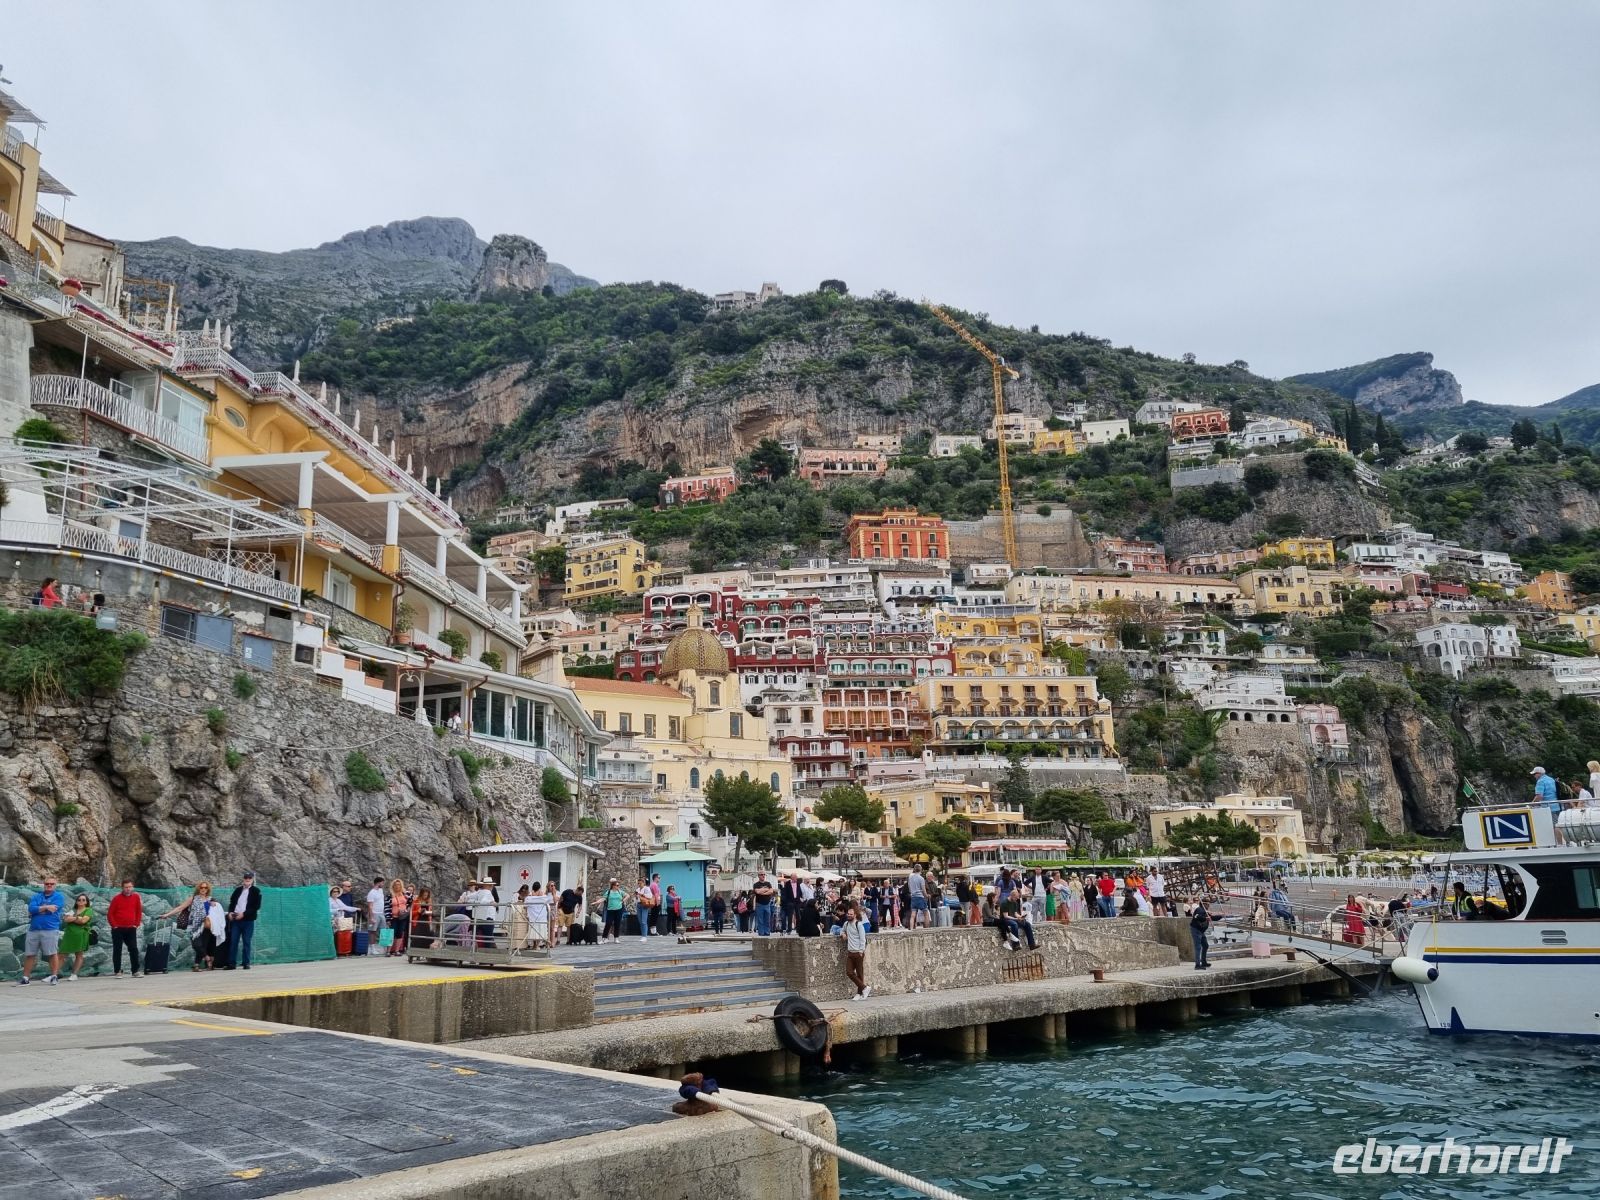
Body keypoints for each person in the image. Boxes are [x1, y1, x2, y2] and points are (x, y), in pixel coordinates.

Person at [19, 877, 66, 985]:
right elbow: (31, 909)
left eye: (51, 884)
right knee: (30, 954)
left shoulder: (59, 896)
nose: (49, 885)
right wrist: (46, 907)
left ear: (55, 885)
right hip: (34, 929)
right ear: (44, 885)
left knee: (52, 953)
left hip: (50, 929)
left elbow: (54, 909)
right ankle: (25, 978)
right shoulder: (36, 896)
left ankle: (54, 976)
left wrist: (39, 909)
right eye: (47, 883)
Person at [224, 870, 262, 970]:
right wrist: (230, 912)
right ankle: (231, 963)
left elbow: (256, 906)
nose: (247, 880)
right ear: (243, 879)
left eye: (249, 878)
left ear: (252, 879)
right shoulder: (237, 890)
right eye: (246, 878)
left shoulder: (256, 891)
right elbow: (232, 902)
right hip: (236, 920)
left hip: (248, 920)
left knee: (246, 941)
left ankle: (246, 963)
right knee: (233, 941)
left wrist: (244, 914)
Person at [108, 879, 143, 978]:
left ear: (133, 887)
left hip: (131, 928)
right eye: (126, 887)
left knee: (133, 948)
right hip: (118, 928)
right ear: (122, 888)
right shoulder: (116, 898)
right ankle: (118, 971)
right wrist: (114, 925)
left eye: (129, 887)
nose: (128, 889)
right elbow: (110, 913)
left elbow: (138, 911)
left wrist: (136, 924)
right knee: (117, 949)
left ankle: (135, 970)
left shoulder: (136, 897)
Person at [58, 893, 93, 980]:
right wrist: (78, 918)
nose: (81, 901)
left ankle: (74, 974)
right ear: (76, 901)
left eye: (83, 900)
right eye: (79, 900)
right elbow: (66, 919)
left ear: (86, 902)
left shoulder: (89, 910)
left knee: (79, 954)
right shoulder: (73, 910)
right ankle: (54, 974)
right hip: (69, 934)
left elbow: (84, 921)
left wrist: (73, 918)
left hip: (81, 934)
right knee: (62, 954)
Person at [841, 903, 871, 998]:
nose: (849, 915)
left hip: (858, 952)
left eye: (851, 914)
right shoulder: (846, 924)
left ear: (855, 915)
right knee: (849, 972)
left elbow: (863, 939)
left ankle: (859, 993)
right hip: (850, 952)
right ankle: (864, 988)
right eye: (848, 914)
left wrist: (861, 951)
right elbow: (842, 930)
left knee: (859, 973)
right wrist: (843, 934)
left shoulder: (859, 925)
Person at [388, 879, 411, 955]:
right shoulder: (390, 895)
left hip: (403, 916)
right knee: (392, 933)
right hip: (393, 917)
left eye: (399, 884)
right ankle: (388, 951)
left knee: (400, 933)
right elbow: (387, 907)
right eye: (396, 885)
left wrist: (407, 909)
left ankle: (397, 950)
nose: (397, 886)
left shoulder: (404, 894)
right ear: (393, 886)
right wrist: (388, 918)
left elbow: (411, 900)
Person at [1189, 896, 1212, 970]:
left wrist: (1222, 916)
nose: (1209, 905)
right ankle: (1197, 965)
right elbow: (1196, 917)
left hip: (1201, 931)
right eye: (1208, 904)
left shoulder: (1205, 911)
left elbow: (1213, 917)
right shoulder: (1199, 910)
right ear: (1204, 904)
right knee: (1198, 947)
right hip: (1196, 929)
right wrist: (1205, 918)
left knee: (1205, 945)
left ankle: (1204, 961)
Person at [752, 871, 777, 937]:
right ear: (758, 876)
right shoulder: (756, 884)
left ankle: (767, 932)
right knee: (760, 920)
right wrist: (766, 889)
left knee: (767, 919)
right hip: (759, 904)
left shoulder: (768, 883)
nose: (763, 876)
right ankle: (761, 933)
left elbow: (771, 891)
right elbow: (757, 891)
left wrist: (763, 892)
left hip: (767, 904)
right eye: (761, 875)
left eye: (764, 874)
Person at [601, 878, 627, 942]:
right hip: (610, 909)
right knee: (608, 923)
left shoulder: (620, 891)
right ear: (613, 885)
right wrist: (597, 902)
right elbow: (603, 898)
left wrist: (623, 900)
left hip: (619, 909)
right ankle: (604, 938)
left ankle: (616, 938)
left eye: (618, 885)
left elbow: (627, 895)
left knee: (617, 923)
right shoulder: (608, 891)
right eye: (617, 885)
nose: (618, 886)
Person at [906, 865, 929, 929]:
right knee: (926, 914)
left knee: (913, 915)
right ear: (921, 869)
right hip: (920, 897)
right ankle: (927, 929)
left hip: (913, 897)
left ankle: (911, 929)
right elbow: (923, 890)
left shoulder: (910, 877)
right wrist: (926, 896)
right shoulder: (921, 878)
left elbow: (909, 887)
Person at [635, 877, 656, 942]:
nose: (639, 884)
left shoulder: (647, 888)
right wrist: (636, 897)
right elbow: (636, 898)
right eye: (638, 883)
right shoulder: (637, 889)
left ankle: (644, 936)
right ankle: (642, 935)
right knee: (640, 921)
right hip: (638, 905)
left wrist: (642, 894)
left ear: (643, 883)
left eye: (640, 883)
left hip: (644, 905)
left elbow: (650, 896)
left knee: (644, 921)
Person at [511, 885, 532, 949]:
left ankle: (524, 944)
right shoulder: (516, 895)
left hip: (524, 914)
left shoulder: (528, 895)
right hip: (517, 913)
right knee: (516, 930)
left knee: (525, 930)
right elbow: (513, 903)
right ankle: (515, 945)